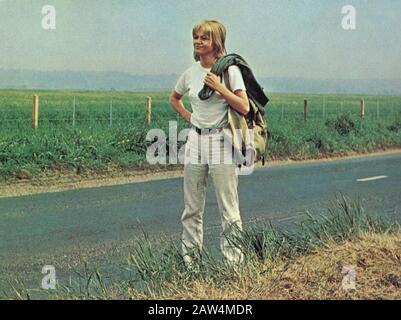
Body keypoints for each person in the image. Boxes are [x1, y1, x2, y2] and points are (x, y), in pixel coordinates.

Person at [169, 20, 250, 268]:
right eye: (195, 37)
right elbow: (174, 98)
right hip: (195, 139)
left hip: (221, 140)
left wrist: (219, 88)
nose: (197, 42)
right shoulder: (190, 73)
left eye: (204, 38)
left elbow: (244, 107)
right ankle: (191, 263)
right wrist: (189, 118)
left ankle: (233, 266)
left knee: (228, 207)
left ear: (216, 42)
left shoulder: (229, 71)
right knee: (192, 207)